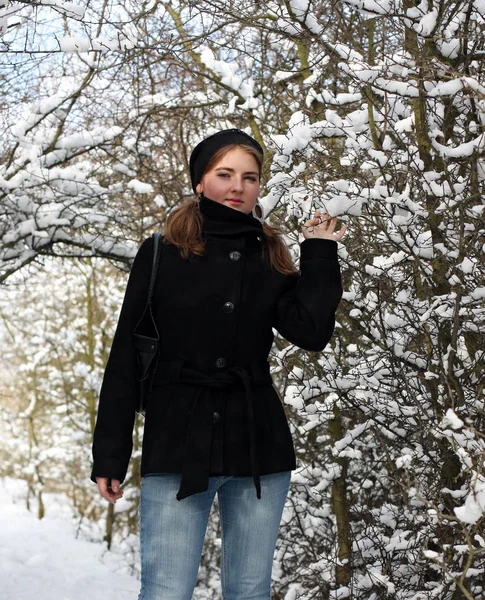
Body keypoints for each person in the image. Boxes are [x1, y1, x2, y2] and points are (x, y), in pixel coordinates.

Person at [91, 128, 347, 600]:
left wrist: (319, 252)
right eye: (224, 174)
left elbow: (310, 332)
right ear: (199, 182)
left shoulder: (269, 252)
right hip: (176, 445)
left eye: (250, 178)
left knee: (249, 591)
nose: (237, 187)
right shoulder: (162, 252)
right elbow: (125, 355)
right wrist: (110, 454)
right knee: (166, 590)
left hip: (258, 446)